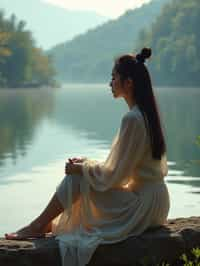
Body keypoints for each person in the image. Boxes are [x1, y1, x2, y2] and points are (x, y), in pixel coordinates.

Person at [5, 48, 170, 266]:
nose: (110, 83)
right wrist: (86, 164)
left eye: (113, 77)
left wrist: (82, 169)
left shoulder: (132, 119)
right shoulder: (147, 115)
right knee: (82, 173)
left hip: (142, 207)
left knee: (77, 178)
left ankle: (37, 226)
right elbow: (119, 171)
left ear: (128, 82)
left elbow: (115, 178)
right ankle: (45, 225)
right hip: (158, 203)